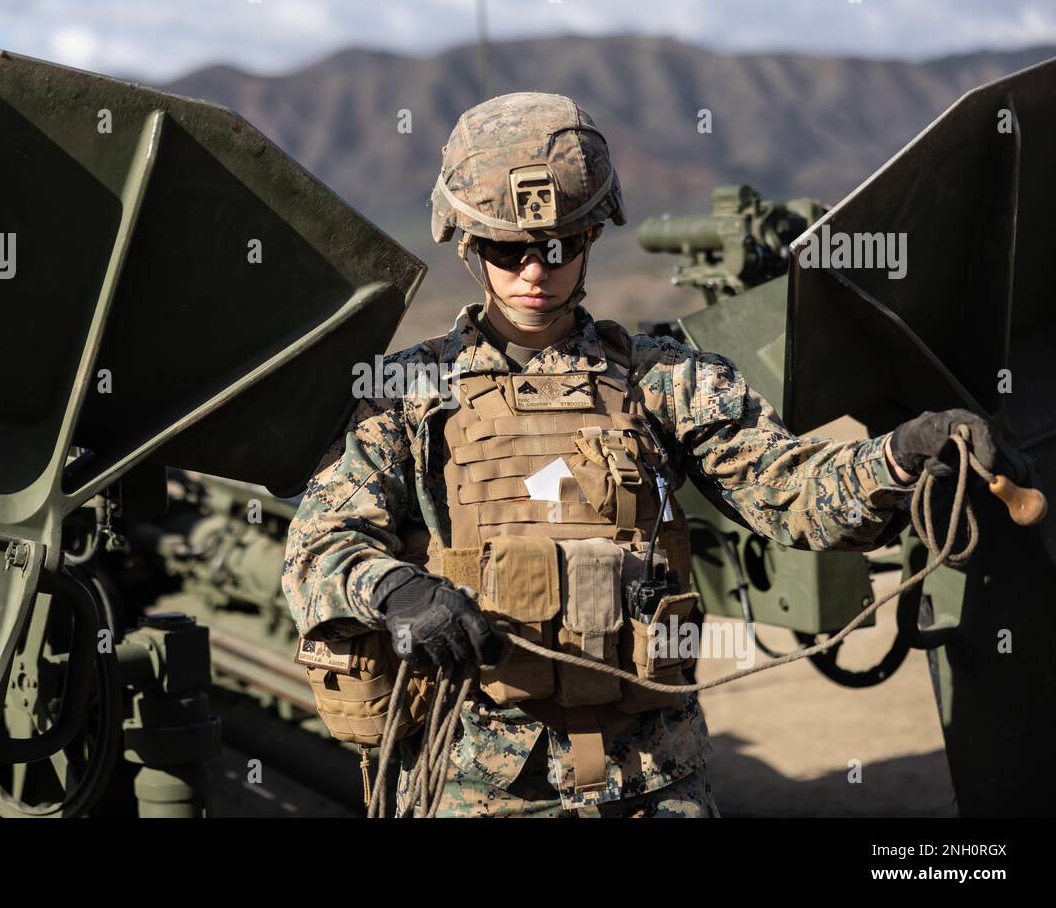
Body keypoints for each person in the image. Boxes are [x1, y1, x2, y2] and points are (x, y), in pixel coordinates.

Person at [280, 91, 997, 817]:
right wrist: (398, 592)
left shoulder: (668, 378)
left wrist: (901, 456)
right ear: (467, 243)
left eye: (560, 244)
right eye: (509, 248)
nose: (536, 269)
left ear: (593, 236)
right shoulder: (409, 392)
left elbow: (795, 494)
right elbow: (317, 551)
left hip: (654, 780)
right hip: (476, 785)